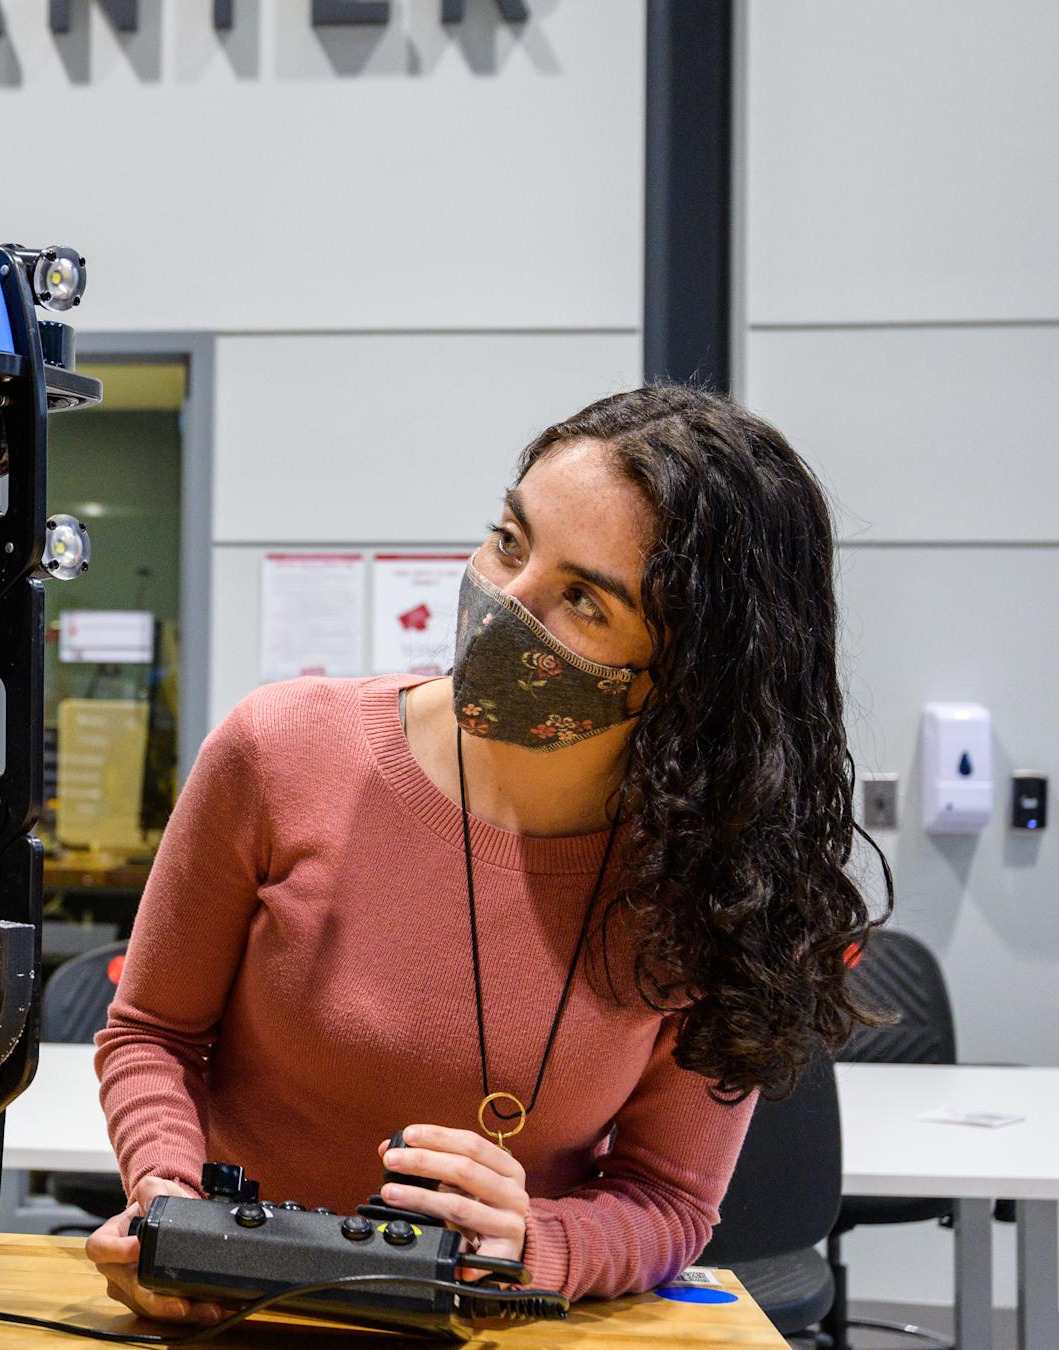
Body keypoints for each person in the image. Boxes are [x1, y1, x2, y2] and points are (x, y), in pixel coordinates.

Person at [88, 385, 886, 1317]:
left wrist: (533, 1243)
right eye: (511, 541)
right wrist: (169, 1207)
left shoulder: (716, 879)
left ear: (693, 671)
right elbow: (151, 1033)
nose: (506, 602)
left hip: (488, 1328)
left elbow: (670, 1199)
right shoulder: (280, 750)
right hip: (232, 1314)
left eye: (583, 599)